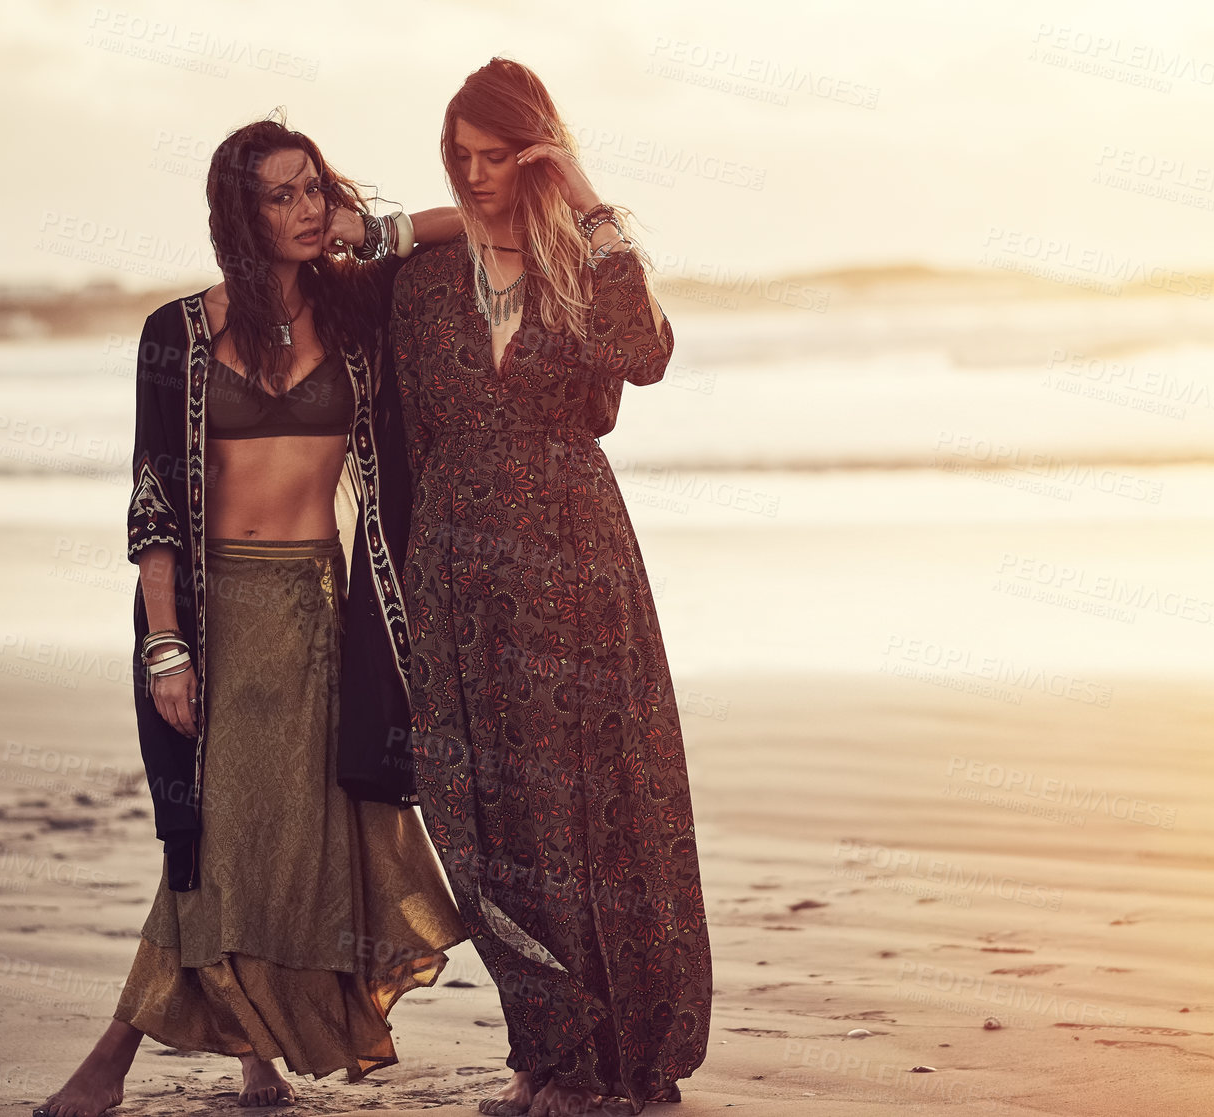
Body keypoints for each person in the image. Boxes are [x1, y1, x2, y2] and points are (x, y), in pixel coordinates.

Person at [34, 117, 467, 1117]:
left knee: (299, 839)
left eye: (315, 187)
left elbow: (484, 228)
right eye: (282, 194)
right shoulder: (178, 332)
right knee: (215, 839)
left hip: (321, 616)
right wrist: (165, 645)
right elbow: (153, 498)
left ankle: (253, 1053)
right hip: (215, 619)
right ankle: (117, 1055)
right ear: (239, 211)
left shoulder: (360, 314)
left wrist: (378, 229)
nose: (307, 208)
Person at [389, 59, 712, 1117]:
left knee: (597, 802)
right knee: (486, 809)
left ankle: (620, 1057)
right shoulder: (425, 278)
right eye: (462, 160)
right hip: (455, 557)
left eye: (498, 157)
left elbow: (648, 355)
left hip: (575, 555)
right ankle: (550, 1047)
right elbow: (393, 411)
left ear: (535, 150)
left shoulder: (583, 263)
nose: (478, 179)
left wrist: (582, 196)